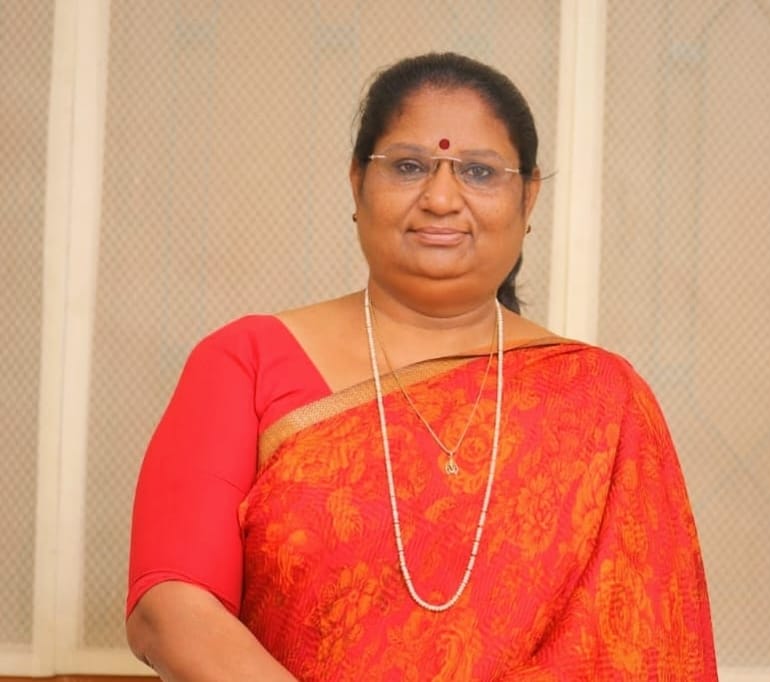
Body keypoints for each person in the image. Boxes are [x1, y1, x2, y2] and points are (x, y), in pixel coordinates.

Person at [126, 52, 718, 681]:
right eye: (408, 166)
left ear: (528, 197)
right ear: (357, 182)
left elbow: (647, 649)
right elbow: (170, 608)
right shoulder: (247, 361)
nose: (440, 198)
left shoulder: (602, 400)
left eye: (479, 172)